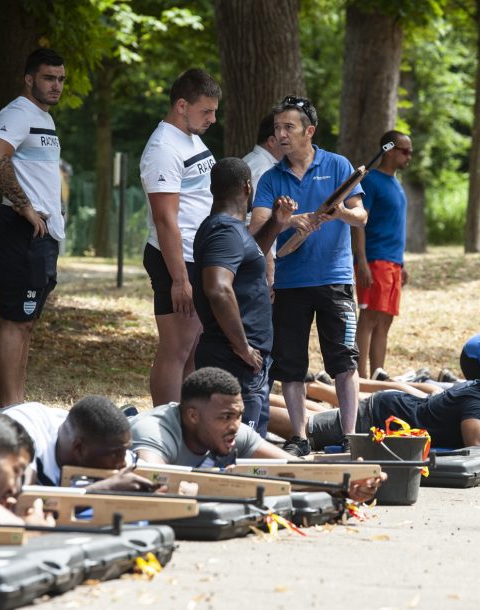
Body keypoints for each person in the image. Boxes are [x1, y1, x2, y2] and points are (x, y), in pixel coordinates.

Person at [249, 96, 368, 456]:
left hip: (335, 280)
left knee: (345, 362)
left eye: (289, 127)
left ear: (309, 131)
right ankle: (300, 437)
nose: (280, 134)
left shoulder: (338, 165)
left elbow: (361, 215)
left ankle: (350, 436)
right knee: (291, 365)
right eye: (277, 128)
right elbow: (257, 227)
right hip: (289, 284)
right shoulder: (271, 177)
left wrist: (340, 214)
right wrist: (284, 222)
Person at [130, 367, 383, 502]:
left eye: (239, 415)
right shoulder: (155, 431)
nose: (235, 425)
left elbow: (294, 468)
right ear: (192, 415)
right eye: (226, 417)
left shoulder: (230, 429)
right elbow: (152, 480)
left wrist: (345, 483)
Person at [0, 48, 66, 408]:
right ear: (29, 79)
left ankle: (16, 404)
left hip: (41, 234)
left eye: (61, 79)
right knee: (16, 320)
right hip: (21, 229)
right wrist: (25, 207)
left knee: (26, 321)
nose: (56, 85)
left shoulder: (43, 118)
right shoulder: (17, 113)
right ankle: (9, 407)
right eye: (49, 78)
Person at [192, 158, 296, 435]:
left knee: (246, 446)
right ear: (248, 187)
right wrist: (243, 348)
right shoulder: (225, 231)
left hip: (242, 362)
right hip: (235, 362)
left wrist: (276, 223)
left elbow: (250, 254)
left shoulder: (229, 229)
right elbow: (218, 288)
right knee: (239, 452)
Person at [140, 68, 221, 406]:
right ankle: (165, 426)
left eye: (215, 111)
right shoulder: (162, 148)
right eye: (207, 111)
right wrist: (178, 280)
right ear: (182, 105)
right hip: (177, 257)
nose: (213, 119)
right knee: (176, 348)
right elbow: (165, 218)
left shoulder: (189, 136)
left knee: (193, 347)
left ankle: (186, 422)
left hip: (196, 253)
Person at [269, 362, 480, 450]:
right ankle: (249, 410)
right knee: (308, 428)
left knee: (313, 416)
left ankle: (262, 400)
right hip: (379, 417)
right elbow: (475, 439)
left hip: (394, 407)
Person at [351, 130, 413, 380]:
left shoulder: (396, 183)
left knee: (385, 321)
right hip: (375, 260)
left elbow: (395, 226)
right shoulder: (372, 181)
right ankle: (361, 377)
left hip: (393, 262)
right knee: (368, 318)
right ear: (389, 149)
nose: (409, 156)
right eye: (405, 151)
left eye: (411, 152)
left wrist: (402, 263)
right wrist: (362, 260)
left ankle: (378, 374)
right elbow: (359, 223)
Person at [4, 396, 153, 491]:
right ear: (78, 448)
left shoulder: (112, 447)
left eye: (124, 452)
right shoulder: (25, 433)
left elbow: (153, 475)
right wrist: (101, 489)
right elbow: (20, 498)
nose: (122, 464)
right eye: (115, 455)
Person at [242, 112, 284, 294]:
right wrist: (269, 273)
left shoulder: (254, 162)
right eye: (282, 135)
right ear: (271, 141)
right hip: (258, 264)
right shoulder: (263, 170)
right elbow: (256, 225)